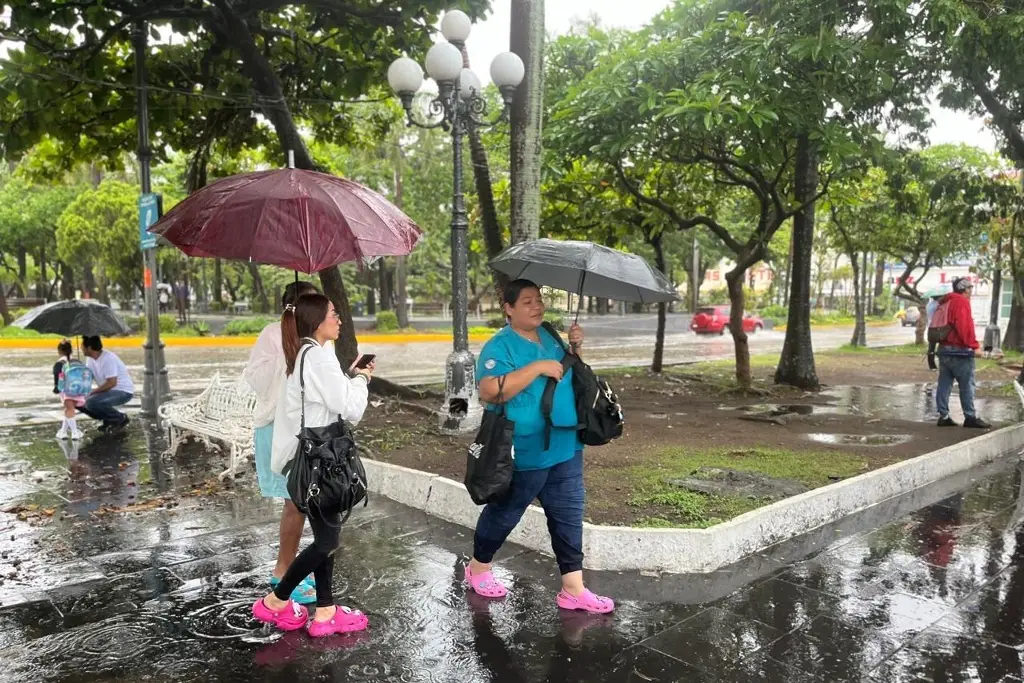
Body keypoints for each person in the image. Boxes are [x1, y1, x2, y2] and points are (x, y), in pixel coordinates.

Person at [466, 279, 614, 614]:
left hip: (566, 443)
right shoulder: (499, 346)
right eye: (528, 302)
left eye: (539, 300)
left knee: (568, 515)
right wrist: (535, 368)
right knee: (506, 512)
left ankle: (573, 589)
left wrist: (575, 349)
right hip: (525, 449)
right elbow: (489, 392)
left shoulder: (549, 334)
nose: (537, 307)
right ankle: (477, 569)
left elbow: (567, 373)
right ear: (509, 309)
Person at [252, 293, 374, 637]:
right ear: (317, 320)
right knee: (326, 542)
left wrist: (348, 377)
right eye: (334, 313)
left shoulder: (307, 354)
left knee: (327, 537)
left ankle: (325, 611)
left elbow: (332, 398)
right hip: (322, 460)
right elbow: (351, 409)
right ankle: (276, 600)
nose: (339, 320)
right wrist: (363, 379)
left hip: (318, 460)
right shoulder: (317, 357)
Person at [242, 280, 320, 605]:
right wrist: (286, 357)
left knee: (301, 501)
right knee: (295, 501)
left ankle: (290, 564)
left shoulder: (313, 339)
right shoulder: (271, 334)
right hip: (277, 429)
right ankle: (283, 569)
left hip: (303, 429)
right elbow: (255, 378)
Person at [935, 277, 989, 429]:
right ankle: (970, 417)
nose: (971, 290)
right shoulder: (961, 302)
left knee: (944, 383)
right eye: (970, 288)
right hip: (959, 351)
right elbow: (964, 327)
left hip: (944, 349)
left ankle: (943, 416)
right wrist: (974, 346)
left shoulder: (945, 301)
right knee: (967, 384)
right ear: (965, 289)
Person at [79, 335, 135, 432]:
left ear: (89, 348)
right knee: (79, 401)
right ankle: (108, 420)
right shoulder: (90, 359)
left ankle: (120, 418)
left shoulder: (108, 359)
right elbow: (88, 377)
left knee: (91, 402)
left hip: (123, 392)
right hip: (107, 391)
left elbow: (112, 383)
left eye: (82, 346)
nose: (81, 348)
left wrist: (93, 392)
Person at [53, 339, 86, 440]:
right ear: (71, 350)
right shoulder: (77, 361)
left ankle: (74, 432)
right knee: (69, 409)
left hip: (66, 390)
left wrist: (56, 388)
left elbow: (57, 378)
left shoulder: (59, 363)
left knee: (69, 409)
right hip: (78, 390)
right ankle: (63, 431)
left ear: (59, 351)